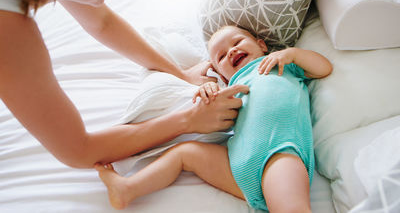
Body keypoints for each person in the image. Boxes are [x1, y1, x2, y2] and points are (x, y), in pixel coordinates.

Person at [0, 0, 249, 169]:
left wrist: (179, 74)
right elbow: (79, 151)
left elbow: (103, 22)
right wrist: (189, 119)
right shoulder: (9, 31)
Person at [95, 25, 333, 211]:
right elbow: (212, 113)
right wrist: (206, 93)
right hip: (236, 164)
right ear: (221, 73)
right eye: (220, 57)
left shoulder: (281, 64)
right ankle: (127, 189)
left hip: (279, 154)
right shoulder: (228, 87)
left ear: (261, 45)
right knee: (184, 153)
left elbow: (324, 68)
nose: (231, 51)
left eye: (237, 42)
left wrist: (292, 54)